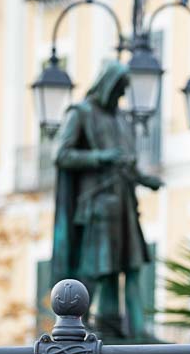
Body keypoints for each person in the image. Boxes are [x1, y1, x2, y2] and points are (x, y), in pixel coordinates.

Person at [52, 60, 162, 339]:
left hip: (125, 203)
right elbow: (61, 154)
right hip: (97, 205)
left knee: (132, 266)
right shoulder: (81, 113)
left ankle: (136, 329)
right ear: (107, 86)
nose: (121, 97)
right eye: (119, 90)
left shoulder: (121, 119)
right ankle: (75, 323)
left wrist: (146, 180)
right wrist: (100, 157)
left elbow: (128, 164)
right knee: (97, 269)